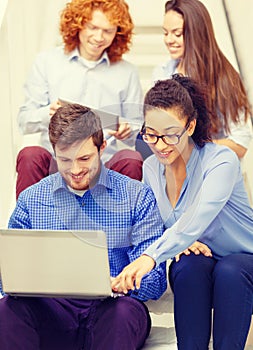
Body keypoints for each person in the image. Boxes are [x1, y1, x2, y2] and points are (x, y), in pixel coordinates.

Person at [0, 103, 167, 350]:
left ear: (102, 148)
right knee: (7, 311)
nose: (75, 170)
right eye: (65, 160)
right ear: (54, 152)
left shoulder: (136, 196)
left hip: (111, 307)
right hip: (53, 310)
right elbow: (7, 278)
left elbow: (156, 279)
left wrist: (126, 281)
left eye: (84, 158)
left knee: (122, 314)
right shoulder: (32, 199)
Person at [113, 75, 253, 350]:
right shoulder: (151, 169)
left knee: (230, 270)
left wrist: (151, 256)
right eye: (151, 134)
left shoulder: (220, 161)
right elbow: (157, 223)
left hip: (245, 259)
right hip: (201, 259)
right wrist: (180, 241)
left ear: (190, 126)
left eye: (170, 134)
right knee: (187, 267)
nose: (160, 144)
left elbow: (199, 215)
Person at [16, 0, 144, 199]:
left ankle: (123, 227)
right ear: (78, 24)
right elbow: (25, 121)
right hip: (57, 163)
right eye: (93, 27)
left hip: (102, 167)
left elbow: (140, 133)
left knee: (131, 158)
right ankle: (27, 225)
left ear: (118, 32)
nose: (99, 37)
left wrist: (128, 131)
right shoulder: (47, 62)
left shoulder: (127, 73)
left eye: (108, 31)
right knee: (30, 154)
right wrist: (47, 113)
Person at [136, 0, 252, 161]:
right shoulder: (161, 73)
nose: (169, 40)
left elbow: (240, 143)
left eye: (177, 34)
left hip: (209, 168)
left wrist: (195, 147)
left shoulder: (225, 78)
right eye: (165, 33)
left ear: (197, 33)